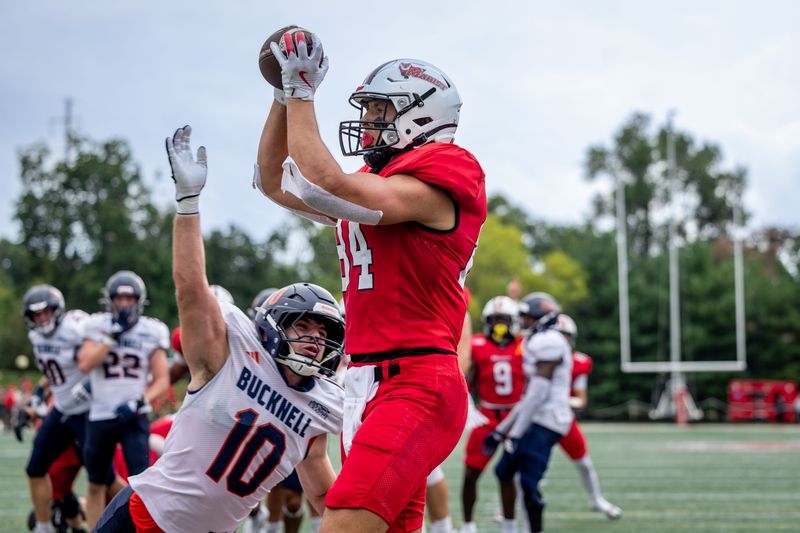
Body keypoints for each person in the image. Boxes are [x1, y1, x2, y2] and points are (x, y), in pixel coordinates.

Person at [258, 31, 486, 532]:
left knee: (340, 522)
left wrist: (302, 91)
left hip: (417, 382)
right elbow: (275, 181)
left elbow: (329, 181)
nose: (366, 124)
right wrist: (282, 96)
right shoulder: (378, 182)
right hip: (364, 383)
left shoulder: (442, 175)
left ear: (422, 115)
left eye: (380, 111)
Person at [93, 126, 345, 533]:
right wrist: (188, 204)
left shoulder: (319, 406)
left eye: (325, 331)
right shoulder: (228, 357)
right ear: (274, 326)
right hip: (145, 521)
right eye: (304, 326)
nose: (316, 338)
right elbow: (190, 288)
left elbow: (320, 492)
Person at [77, 270, 170, 528]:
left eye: (129, 299)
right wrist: (111, 338)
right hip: (99, 415)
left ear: (138, 301)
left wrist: (138, 402)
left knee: (141, 484)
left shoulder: (152, 330)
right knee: (96, 482)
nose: (124, 304)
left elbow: (162, 378)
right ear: (110, 300)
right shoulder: (97, 326)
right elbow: (85, 363)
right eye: (119, 299)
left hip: (134, 416)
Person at [483, 293, 572, 533]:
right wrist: (500, 431)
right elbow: (529, 397)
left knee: (528, 483)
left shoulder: (551, 341)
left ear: (542, 318)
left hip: (549, 421)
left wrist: (514, 434)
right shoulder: (537, 341)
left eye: (527, 317)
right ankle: (510, 529)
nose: (521, 322)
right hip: (535, 416)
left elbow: (538, 394)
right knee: (503, 471)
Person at [22, 285, 91, 533]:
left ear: (58, 310)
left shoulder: (76, 328)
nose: (42, 319)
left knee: (102, 479)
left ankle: (134, 514)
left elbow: (104, 358)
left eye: (46, 312)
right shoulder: (36, 337)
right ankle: (44, 527)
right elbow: (54, 372)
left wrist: (92, 387)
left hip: (89, 413)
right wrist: (38, 396)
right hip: (62, 410)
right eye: (35, 315)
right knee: (35, 467)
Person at [460, 296, 524, 533]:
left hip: (515, 416)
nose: (499, 324)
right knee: (470, 473)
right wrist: (468, 405)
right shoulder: (477, 345)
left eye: (504, 319)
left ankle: (510, 526)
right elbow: (469, 379)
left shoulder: (523, 345)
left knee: (509, 474)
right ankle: (467, 525)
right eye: (494, 319)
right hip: (487, 415)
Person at [553, 314, 622, 520]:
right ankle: (510, 507)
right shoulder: (535, 353)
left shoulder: (579, 362)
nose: (562, 341)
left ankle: (596, 499)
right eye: (558, 335)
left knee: (584, 462)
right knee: (528, 467)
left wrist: (559, 401)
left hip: (563, 420)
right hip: (538, 420)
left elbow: (581, 400)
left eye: (565, 336)